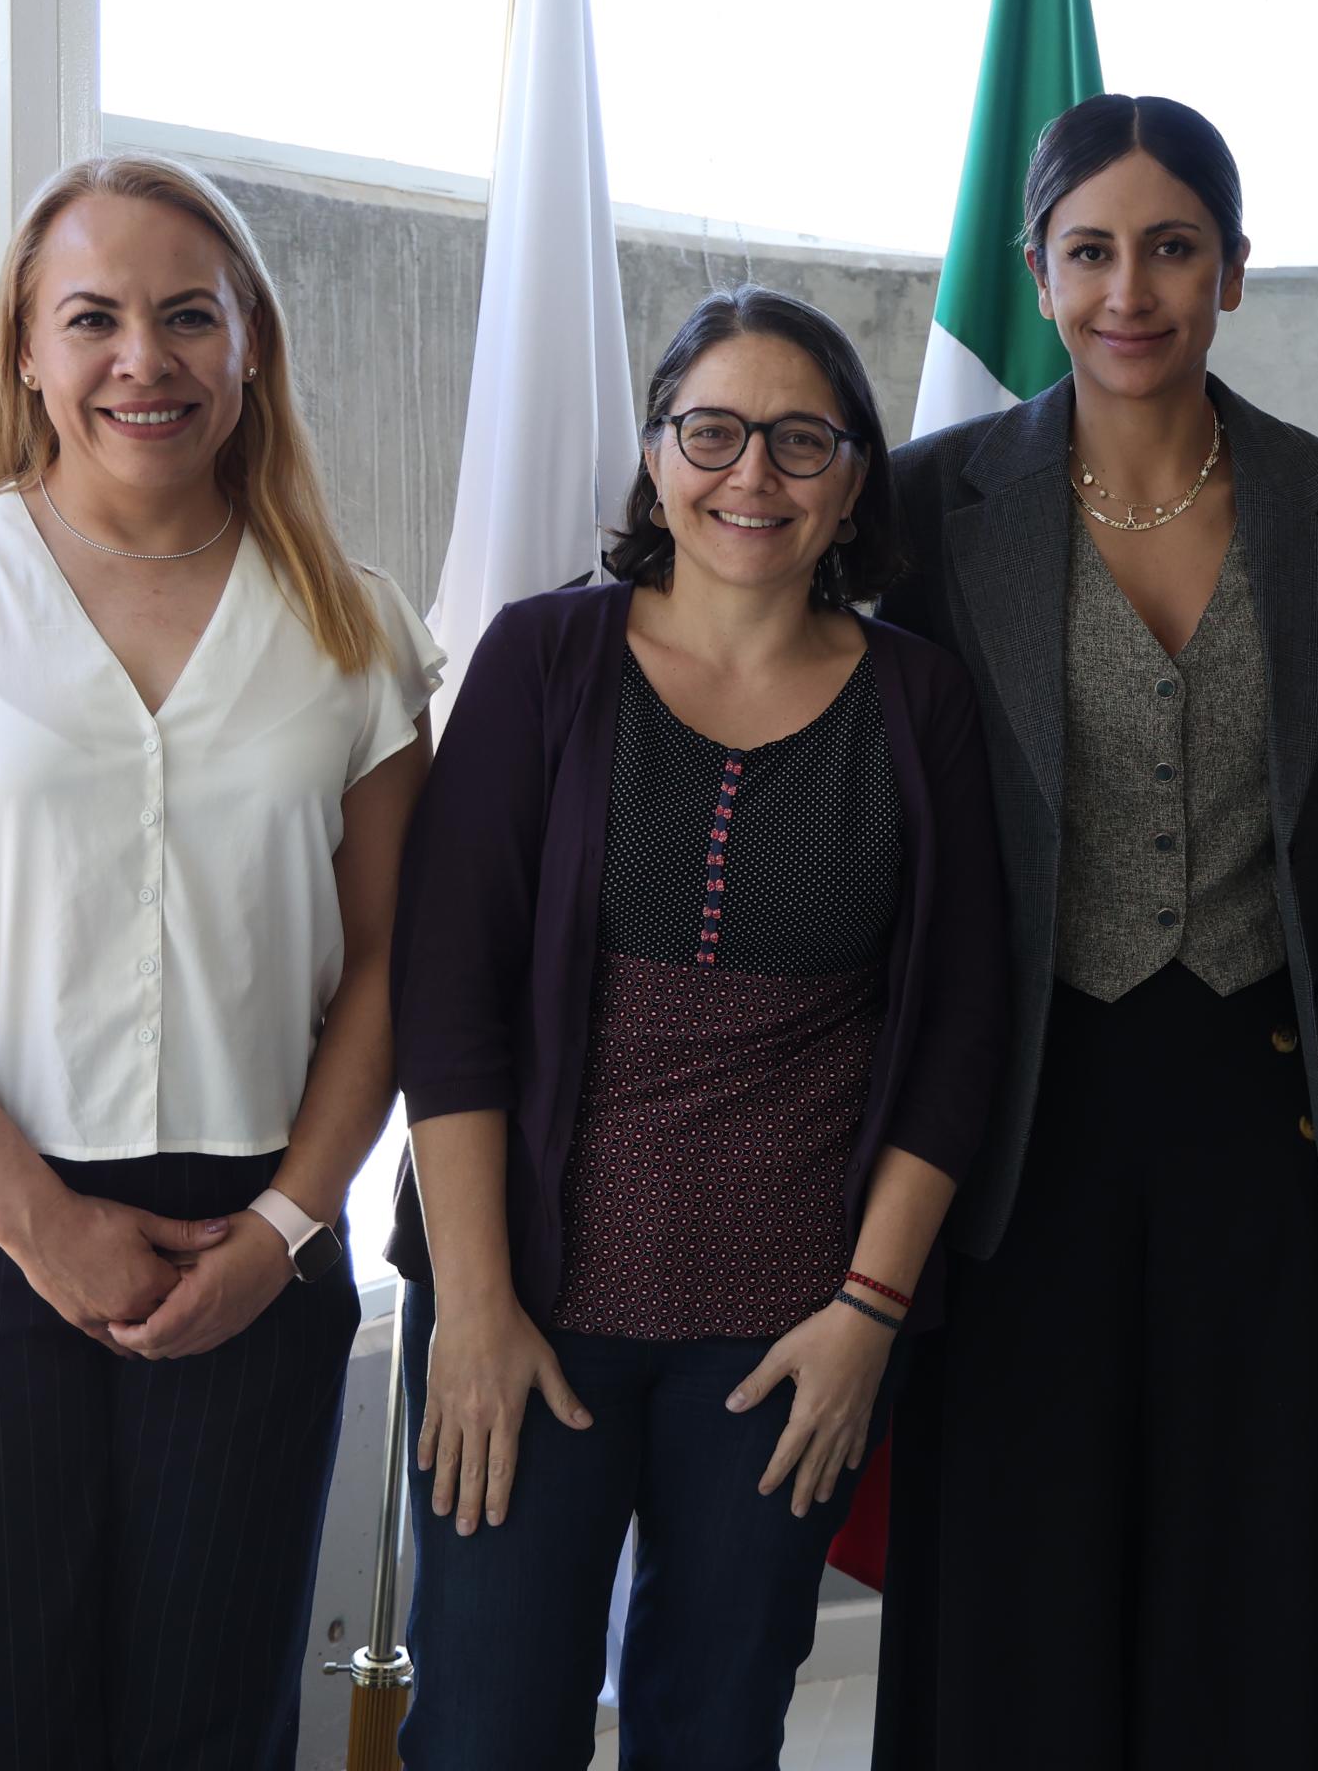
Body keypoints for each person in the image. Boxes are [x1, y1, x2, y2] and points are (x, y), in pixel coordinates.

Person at [0, 153, 440, 1768]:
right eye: (94, 319)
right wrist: (39, 1222)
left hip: (250, 1246)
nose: (146, 358)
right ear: (27, 351)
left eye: (190, 316)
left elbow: (389, 964)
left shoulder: (352, 630)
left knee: (210, 1728)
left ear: (251, 345)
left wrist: (286, 1230)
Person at [390, 287, 1009, 1771]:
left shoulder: (920, 698)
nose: (754, 476)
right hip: (524, 1308)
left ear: (855, 480)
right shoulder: (543, 657)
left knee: (717, 1730)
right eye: (714, 432)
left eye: (803, 441)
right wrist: (473, 1308)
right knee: (484, 1730)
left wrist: (867, 1319)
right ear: (658, 457)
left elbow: (958, 1030)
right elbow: (449, 999)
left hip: (789, 1337)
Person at [872, 93, 1318, 1769]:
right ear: (1036, 273)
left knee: (1244, 1542)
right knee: (1021, 1542)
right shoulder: (927, 505)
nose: (1130, 291)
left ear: (1233, 270)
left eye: (1173, 248)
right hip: (1020, 1106)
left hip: (1259, 1097)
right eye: (1090, 251)